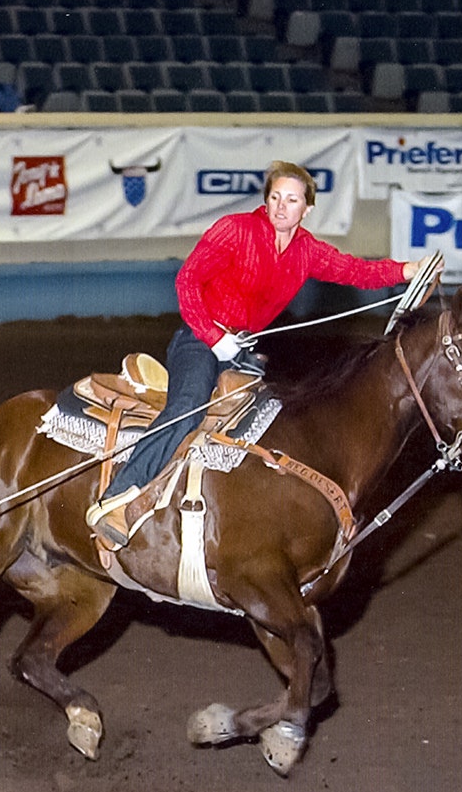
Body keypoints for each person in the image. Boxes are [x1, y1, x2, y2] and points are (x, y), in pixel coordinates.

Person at [85, 160, 421, 548]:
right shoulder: (235, 230)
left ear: (306, 209)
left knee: (271, 419)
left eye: (292, 200)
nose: (281, 206)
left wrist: (407, 269)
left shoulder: (306, 251)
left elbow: (354, 270)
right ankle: (115, 497)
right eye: (275, 197)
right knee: (190, 403)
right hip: (200, 338)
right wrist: (213, 337)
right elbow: (187, 280)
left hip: (242, 348)